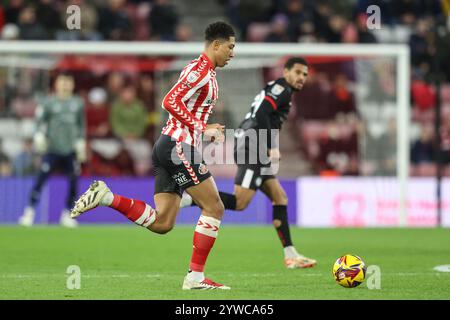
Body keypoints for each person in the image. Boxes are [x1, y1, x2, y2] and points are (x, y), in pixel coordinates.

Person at [70, 22, 236, 290]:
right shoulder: (200, 70)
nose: (232, 53)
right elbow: (169, 101)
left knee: (162, 223)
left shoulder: (206, 72)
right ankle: (195, 278)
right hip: (178, 147)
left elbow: (182, 108)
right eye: (230, 47)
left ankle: (106, 196)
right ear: (215, 44)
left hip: (169, 146)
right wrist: (201, 127)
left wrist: (205, 129)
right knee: (214, 207)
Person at [180, 57, 317, 269]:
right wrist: (271, 145)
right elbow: (261, 113)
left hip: (253, 145)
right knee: (240, 202)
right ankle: (190, 198)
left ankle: (291, 255)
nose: (301, 78)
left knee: (280, 197)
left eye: (305, 75)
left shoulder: (282, 92)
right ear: (286, 72)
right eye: (298, 72)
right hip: (252, 144)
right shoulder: (281, 88)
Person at [18, 72, 86, 228]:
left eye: (68, 82)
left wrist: (81, 141)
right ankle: (29, 212)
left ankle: (67, 214)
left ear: (72, 84)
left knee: (74, 181)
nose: (65, 85)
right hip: (52, 149)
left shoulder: (78, 103)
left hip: (70, 150)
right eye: (62, 82)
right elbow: (39, 122)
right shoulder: (48, 102)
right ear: (56, 84)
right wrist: (39, 135)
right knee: (40, 180)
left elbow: (81, 125)